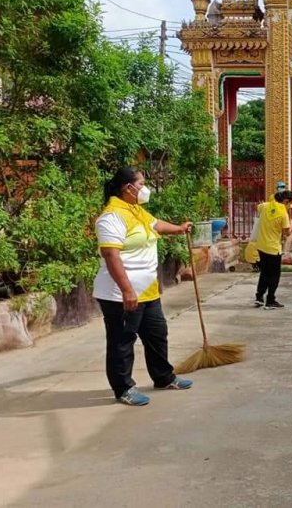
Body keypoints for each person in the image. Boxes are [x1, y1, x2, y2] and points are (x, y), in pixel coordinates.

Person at [93, 167, 193, 407]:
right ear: (129, 188)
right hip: (121, 294)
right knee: (122, 341)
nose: (145, 188)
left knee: (157, 334)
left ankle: (163, 377)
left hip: (148, 291)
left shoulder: (136, 211)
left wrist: (179, 229)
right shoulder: (112, 217)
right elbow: (110, 254)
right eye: (142, 184)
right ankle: (123, 388)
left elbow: (156, 225)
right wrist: (127, 290)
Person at [254, 190, 292, 309]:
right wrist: (291, 226)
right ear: (286, 201)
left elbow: (258, 207)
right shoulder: (283, 213)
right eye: (289, 203)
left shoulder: (265, 205)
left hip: (261, 245)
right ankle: (270, 299)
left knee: (265, 272)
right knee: (274, 275)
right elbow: (287, 233)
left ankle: (259, 297)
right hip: (273, 248)